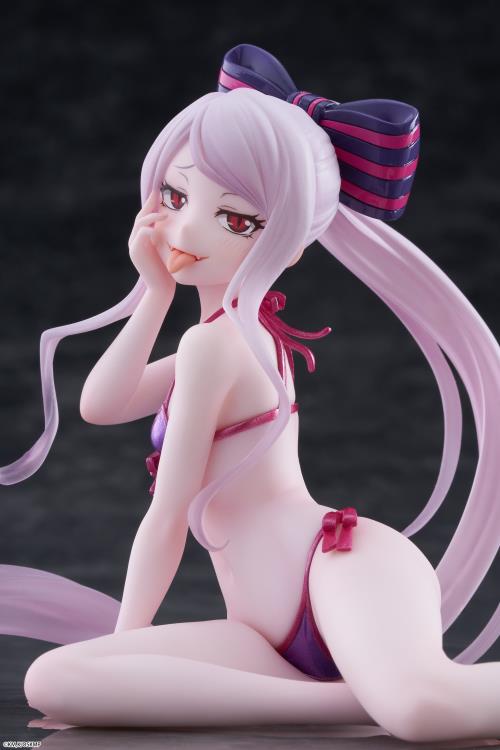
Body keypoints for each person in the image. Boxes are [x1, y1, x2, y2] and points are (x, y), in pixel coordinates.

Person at [1, 44, 499, 742]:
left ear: (291, 245)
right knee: (53, 680)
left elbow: (167, 518)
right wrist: (154, 292)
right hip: (261, 633)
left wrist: (122, 649)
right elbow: (102, 405)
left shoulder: (217, 346)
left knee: (422, 711)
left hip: (340, 572)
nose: (187, 229)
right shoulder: (218, 337)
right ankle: (350, 702)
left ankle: (365, 701)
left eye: (237, 220)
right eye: (176, 197)